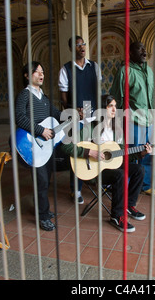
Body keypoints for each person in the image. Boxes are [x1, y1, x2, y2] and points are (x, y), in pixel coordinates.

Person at [61, 94, 150, 232]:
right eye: (110, 106)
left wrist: (140, 153)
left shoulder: (118, 131)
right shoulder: (90, 128)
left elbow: (122, 156)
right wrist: (89, 152)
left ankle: (129, 205)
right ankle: (116, 216)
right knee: (120, 175)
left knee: (139, 169)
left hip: (111, 166)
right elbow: (65, 146)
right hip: (93, 170)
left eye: (115, 106)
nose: (114, 109)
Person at [110, 41, 155, 197]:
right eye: (140, 50)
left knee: (149, 154)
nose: (144, 52)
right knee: (132, 155)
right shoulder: (124, 71)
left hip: (151, 121)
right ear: (131, 53)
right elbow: (117, 98)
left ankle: (144, 185)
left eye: (145, 50)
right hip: (133, 121)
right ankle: (127, 189)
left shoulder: (150, 71)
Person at [15, 61, 61, 231]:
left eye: (42, 71)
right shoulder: (24, 95)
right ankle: (42, 216)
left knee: (46, 178)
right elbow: (19, 118)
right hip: (31, 144)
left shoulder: (45, 97)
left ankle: (43, 209)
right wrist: (41, 130)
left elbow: (56, 114)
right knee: (41, 179)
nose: (41, 74)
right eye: (37, 72)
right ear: (27, 75)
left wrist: (72, 114)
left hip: (45, 146)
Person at [58, 35, 102, 204]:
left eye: (83, 44)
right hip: (76, 118)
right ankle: (75, 189)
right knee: (78, 152)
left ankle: (93, 179)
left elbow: (97, 92)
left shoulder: (94, 67)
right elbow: (63, 98)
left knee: (95, 149)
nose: (81, 47)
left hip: (93, 116)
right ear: (71, 49)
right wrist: (72, 109)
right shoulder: (66, 69)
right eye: (77, 45)